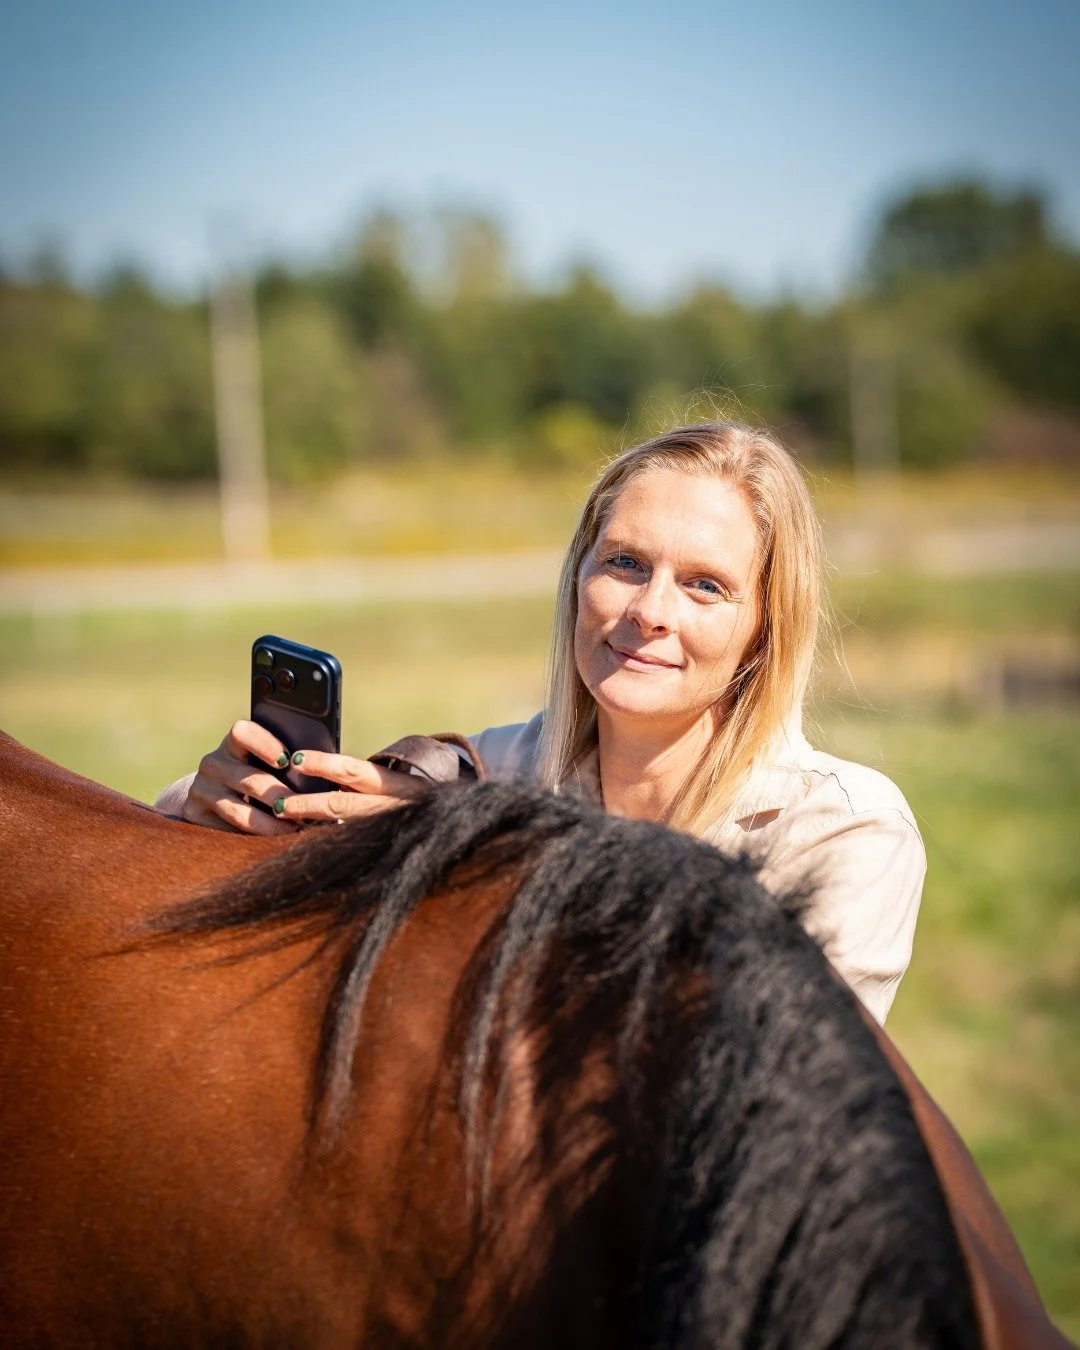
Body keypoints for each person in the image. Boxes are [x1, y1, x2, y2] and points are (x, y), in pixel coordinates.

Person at [155, 421, 925, 1024]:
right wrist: (218, 810)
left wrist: (489, 860)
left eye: (705, 585)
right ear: (578, 580)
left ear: (765, 626)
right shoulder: (506, 766)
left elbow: (750, 1085)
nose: (649, 612)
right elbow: (321, 818)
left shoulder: (845, 833)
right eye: (624, 563)